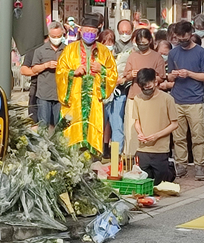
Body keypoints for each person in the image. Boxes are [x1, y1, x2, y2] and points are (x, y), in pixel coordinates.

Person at [56, 14, 118, 156]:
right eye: (87, 31)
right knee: (72, 133)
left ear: (97, 34)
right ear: (80, 31)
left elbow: (113, 74)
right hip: (74, 100)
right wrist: (73, 73)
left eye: (92, 32)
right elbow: (60, 72)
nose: (89, 34)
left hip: (94, 101)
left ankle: (92, 162)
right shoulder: (69, 50)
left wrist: (101, 70)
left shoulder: (104, 52)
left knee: (92, 132)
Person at [167, 21, 204, 181]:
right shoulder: (173, 54)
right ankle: (181, 165)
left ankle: (199, 165)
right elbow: (169, 76)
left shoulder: (201, 53)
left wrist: (189, 73)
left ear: (191, 34)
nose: (181, 40)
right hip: (177, 99)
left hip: (195, 100)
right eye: (178, 38)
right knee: (178, 137)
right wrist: (172, 75)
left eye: (184, 37)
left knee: (198, 135)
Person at [123, 29, 166, 157]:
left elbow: (161, 77)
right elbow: (126, 76)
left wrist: (149, 80)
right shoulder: (133, 56)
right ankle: (130, 157)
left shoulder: (157, 57)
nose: (142, 45)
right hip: (134, 96)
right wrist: (131, 75)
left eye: (144, 42)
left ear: (150, 41)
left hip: (151, 98)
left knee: (149, 128)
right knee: (131, 130)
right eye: (139, 43)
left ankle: (147, 157)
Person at [133, 68, 178, 185]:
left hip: (160, 149)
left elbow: (174, 124)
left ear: (155, 82)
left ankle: (170, 169)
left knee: (160, 183)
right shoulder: (138, 99)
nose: (146, 89)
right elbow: (136, 121)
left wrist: (157, 136)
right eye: (143, 87)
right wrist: (140, 133)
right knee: (144, 181)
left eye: (148, 86)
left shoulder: (168, 99)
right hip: (143, 148)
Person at [98, 29, 127, 158]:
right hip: (101, 94)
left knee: (117, 124)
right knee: (100, 124)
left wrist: (121, 79)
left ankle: (117, 154)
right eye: (105, 42)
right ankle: (98, 151)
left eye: (110, 42)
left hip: (118, 93)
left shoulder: (121, 56)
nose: (108, 45)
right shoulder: (95, 57)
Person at [31, 22, 66, 128]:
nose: (56, 38)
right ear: (49, 36)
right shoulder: (40, 50)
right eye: (53, 36)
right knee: (43, 125)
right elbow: (34, 69)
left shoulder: (68, 50)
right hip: (44, 94)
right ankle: (43, 145)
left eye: (59, 36)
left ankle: (58, 144)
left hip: (61, 95)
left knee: (60, 127)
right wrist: (46, 65)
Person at [20, 39, 47, 123]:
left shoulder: (62, 50)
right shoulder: (34, 51)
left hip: (53, 93)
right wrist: (41, 69)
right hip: (35, 90)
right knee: (34, 122)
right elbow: (23, 70)